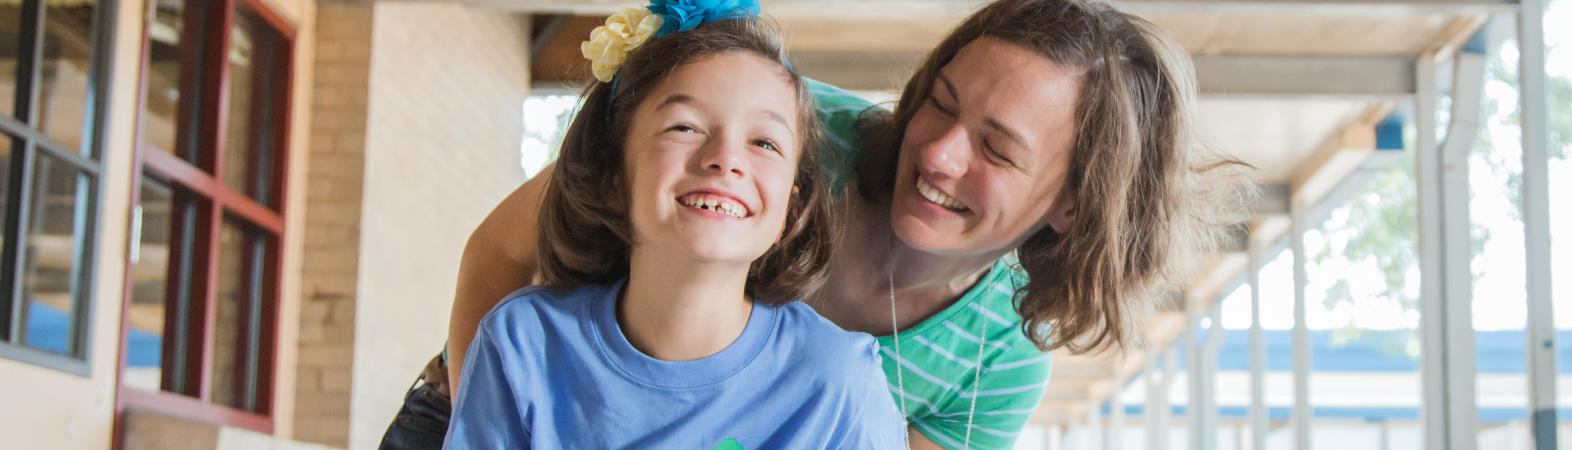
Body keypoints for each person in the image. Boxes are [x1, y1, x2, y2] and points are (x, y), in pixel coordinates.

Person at [381, 0, 1248, 448]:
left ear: (1075, 202)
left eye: (997, 147)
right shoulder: (772, 134)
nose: (939, 153)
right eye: (939, 104)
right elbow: (499, 253)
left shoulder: (995, 357)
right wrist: (492, 412)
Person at [441, 7, 901, 448]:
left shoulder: (840, 382)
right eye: (684, 127)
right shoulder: (521, 343)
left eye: (764, 141)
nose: (725, 158)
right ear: (614, 176)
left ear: (789, 211)